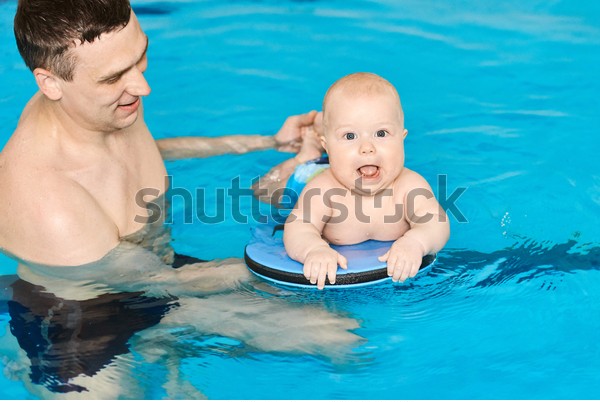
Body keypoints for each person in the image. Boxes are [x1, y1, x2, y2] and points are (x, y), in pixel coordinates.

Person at [0, 0, 361, 379]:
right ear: (50, 83)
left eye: (140, 56)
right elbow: (152, 283)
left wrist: (267, 143)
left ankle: (164, 346)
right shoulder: (48, 200)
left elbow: (143, 151)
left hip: (153, 270)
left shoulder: (93, 103)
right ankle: (25, 360)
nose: (143, 85)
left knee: (340, 332)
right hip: (87, 312)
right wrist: (301, 256)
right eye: (114, 77)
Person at [283, 72, 450, 289]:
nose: (367, 147)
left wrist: (416, 242)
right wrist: (313, 249)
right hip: (306, 176)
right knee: (273, 190)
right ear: (328, 146)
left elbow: (436, 223)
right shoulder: (322, 190)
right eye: (350, 136)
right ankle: (306, 151)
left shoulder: (409, 186)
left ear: (402, 138)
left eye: (381, 133)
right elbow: (298, 227)